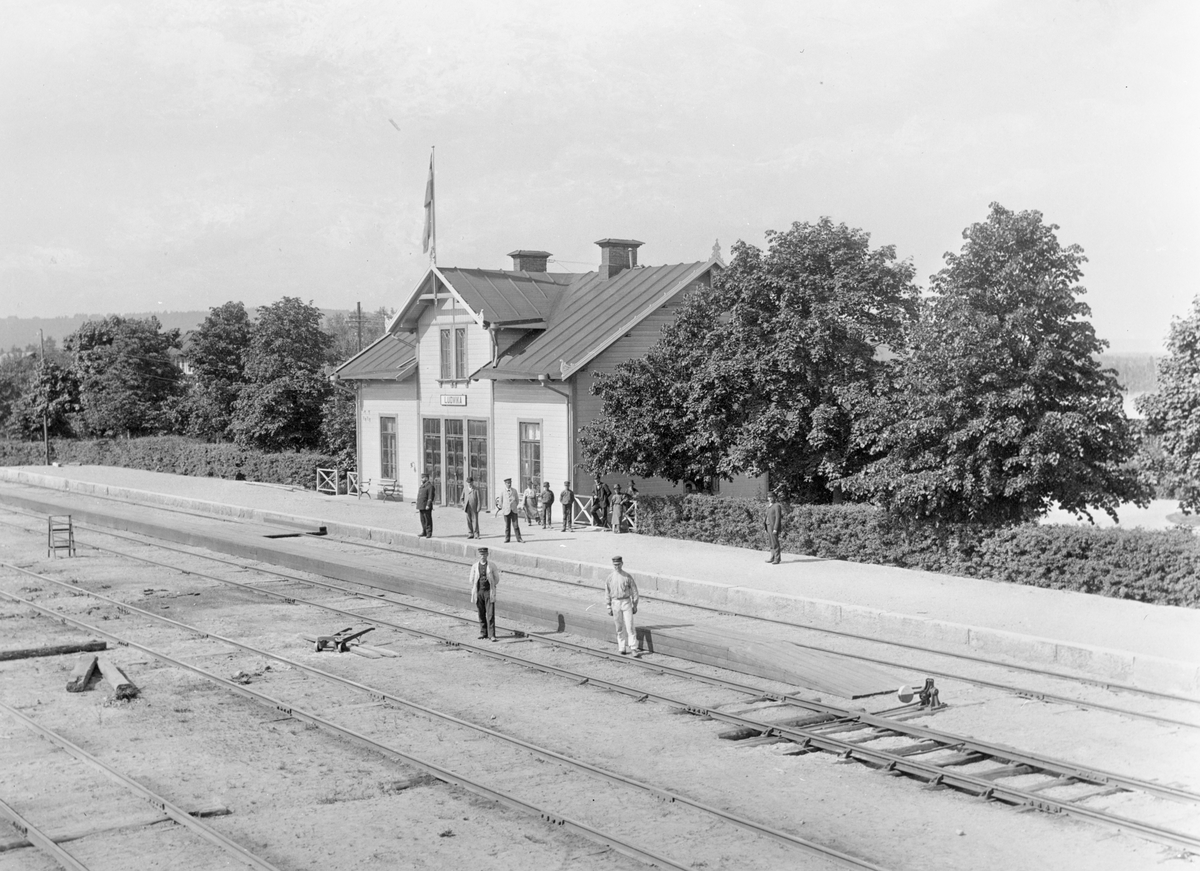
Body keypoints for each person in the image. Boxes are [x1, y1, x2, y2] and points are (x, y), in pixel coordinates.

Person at [605, 556, 640, 656]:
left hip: (626, 602)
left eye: (618, 564)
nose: (617, 567)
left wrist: (635, 605)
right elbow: (607, 592)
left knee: (630, 626)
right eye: (615, 565)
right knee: (619, 627)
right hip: (615, 603)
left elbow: (635, 592)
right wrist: (608, 606)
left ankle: (633, 648)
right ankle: (622, 647)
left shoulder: (627, 577)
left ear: (622, 564)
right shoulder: (610, 578)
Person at [468, 546, 500, 641]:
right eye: (481, 554)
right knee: (481, 613)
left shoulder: (492, 565)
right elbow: (471, 579)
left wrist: (492, 585)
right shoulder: (475, 566)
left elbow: (496, 578)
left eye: (485, 554)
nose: (483, 556)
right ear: (479, 555)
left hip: (488, 592)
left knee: (490, 614)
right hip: (479, 592)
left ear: (487, 555)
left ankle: (492, 635)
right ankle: (483, 633)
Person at [500, 477, 524, 543]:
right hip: (506, 511)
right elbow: (500, 502)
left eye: (510, 483)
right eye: (508, 483)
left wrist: (514, 506)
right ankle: (507, 538)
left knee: (516, 525)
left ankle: (519, 538)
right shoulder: (502, 491)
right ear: (505, 483)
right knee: (507, 526)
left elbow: (517, 500)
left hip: (513, 510)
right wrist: (504, 508)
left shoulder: (514, 491)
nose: (509, 484)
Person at [764, 491, 782, 564]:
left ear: (774, 497)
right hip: (768, 526)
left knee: (775, 543)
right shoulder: (769, 506)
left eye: (771, 497)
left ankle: (777, 559)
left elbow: (778, 518)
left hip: (773, 527)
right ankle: (772, 557)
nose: (770, 498)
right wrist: (766, 527)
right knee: (771, 543)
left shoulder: (777, 506)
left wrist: (775, 528)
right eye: (769, 497)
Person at [415, 473, 435, 538]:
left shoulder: (430, 486)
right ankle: (424, 531)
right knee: (422, 520)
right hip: (421, 505)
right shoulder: (422, 486)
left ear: (426, 478)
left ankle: (429, 532)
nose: (421, 479)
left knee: (427, 520)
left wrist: (428, 505)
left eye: (422, 478)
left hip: (426, 506)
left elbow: (430, 496)